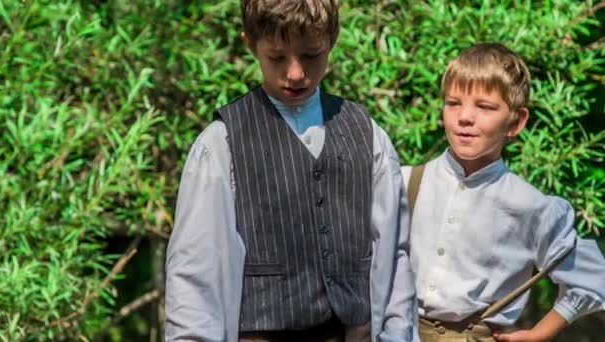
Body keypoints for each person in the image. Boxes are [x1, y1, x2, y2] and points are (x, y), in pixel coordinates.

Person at [165, 1, 418, 341]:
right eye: (277, 57)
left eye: (311, 55)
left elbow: (394, 257)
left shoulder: (367, 134)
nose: (296, 73)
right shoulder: (222, 143)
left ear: (333, 40)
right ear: (250, 44)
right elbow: (195, 273)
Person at [401, 42, 605, 342]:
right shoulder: (404, 182)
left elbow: (592, 279)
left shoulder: (531, 206)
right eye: (453, 103)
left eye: (484, 107)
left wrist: (540, 333)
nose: (464, 117)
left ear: (516, 122)